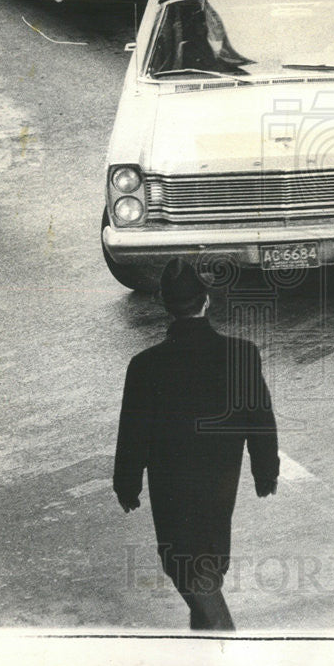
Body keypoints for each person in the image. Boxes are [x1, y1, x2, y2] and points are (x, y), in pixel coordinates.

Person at [113, 258, 279, 630]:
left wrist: (127, 485)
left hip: (170, 485)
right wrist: (265, 472)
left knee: (183, 565)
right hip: (221, 479)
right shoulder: (240, 355)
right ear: (207, 300)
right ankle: (208, 648)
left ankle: (225, 641)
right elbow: (261, 421)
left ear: (165, 305)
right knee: (209, 562)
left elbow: (133, 433)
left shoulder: (145, 367)